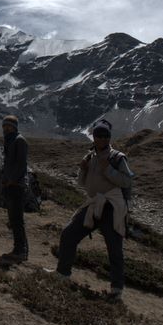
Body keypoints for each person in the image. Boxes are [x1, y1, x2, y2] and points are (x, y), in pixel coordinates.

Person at [54, 119, 134, 301]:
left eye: (105, 136)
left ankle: (116, 290)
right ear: (94, 136)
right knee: (68, 234)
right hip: (93, 203)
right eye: (99, 135)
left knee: (114, 248)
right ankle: (62, 273)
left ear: (109, 137)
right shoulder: (89, 157)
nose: (102, 139)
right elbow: (82, 183)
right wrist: (82, 170)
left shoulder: (118, 158)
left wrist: (109, 171)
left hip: (111, 206)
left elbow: (128, 181)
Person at [0, 114, 29, 262]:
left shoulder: (19, 141)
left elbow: (21, 164)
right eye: (4, 126)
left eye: (8, 126)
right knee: (13, 219)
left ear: (14, 127)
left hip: (17, 185)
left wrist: (12, 180)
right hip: (10, 184)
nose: (6, 128)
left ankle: (21, 251)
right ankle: (18, 249)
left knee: (17, 220)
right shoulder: (9, 140)